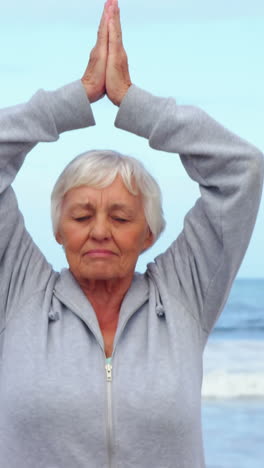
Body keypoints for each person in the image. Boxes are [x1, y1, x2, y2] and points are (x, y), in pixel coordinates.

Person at [0, 0, 263, 467]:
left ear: (149, 234)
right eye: (81, 217)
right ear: (58, 229)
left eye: (121, 218)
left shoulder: (184, 296)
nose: (100, 231)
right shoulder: (18, 292)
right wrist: (75, 98)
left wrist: (133, 102)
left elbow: (242, 169)